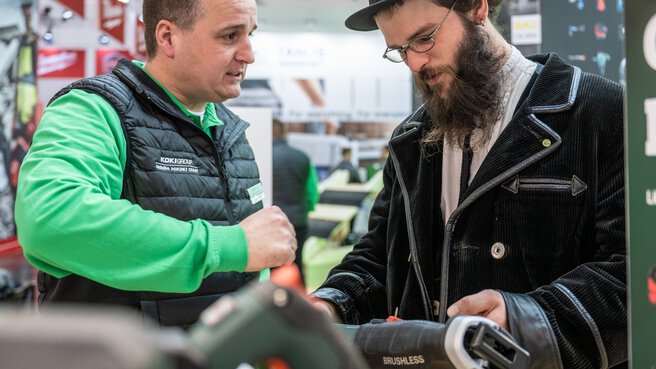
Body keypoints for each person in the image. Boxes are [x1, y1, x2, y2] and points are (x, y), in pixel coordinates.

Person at [311, 0, 627, 368]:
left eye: (424, 38)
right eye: (400, 50)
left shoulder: (601, 112)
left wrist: (523, 317)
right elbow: (382, 254)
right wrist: (331, 302)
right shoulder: (411, 140)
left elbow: (631, 272)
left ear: (477, 8)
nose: (415, 63)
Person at [14, 0, 297, 329]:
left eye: (250, 35)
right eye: (230, 36)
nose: (248, 54)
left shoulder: (230, 130)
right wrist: (230, 245)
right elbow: (51, 217)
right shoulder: (95, 110)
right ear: (168, 38)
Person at [271, 119, 320, 285]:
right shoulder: (302, 156)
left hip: (273, 222)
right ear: (284, 132)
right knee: (297, 264)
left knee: (271, 268)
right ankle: (300, 305)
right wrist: (307, 210)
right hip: (299, 221)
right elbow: (312, 191)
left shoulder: (262, 156)